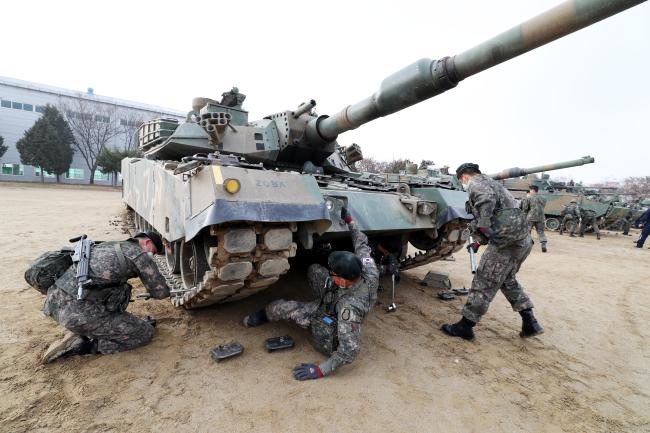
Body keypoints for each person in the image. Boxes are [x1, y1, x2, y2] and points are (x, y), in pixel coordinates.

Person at [243, 207, 379, 380]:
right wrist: (351, 222)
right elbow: (362, 244)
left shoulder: (348, 311)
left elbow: (349, 351)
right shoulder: (368, 269)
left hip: (330, 313)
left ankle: (266, 314)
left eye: (334, 273)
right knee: (314, 270)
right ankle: (320, 297)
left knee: (281, 307)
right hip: (337, 294)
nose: (331, 273)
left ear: (343, 280)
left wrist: (319, 370)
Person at [441, 163, 543, 341]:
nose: (463, 185)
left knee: (484, 281)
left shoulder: (477, 184)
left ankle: (466, 326)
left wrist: (483, 225)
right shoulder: (493, 183)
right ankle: (530, 322)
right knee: (506, 279)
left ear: (464, 177)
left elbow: (486, 206)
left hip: (506, 244)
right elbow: (501, 217)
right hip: (522, 241)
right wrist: (479, 242)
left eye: (461, 181)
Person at [39, 232, 170, 363]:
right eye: (153, 251)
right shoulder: (139, 254)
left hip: (55, 304)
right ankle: (83, 345)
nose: (152, 255)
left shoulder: (108, 245)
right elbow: (161, 292)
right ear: (147, 243)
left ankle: (85, 329)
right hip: (78, 314)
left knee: (120, 289)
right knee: (144, 333)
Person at [520, 185, 548, 252]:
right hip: (541, 218)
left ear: (533, 190)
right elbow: (542, 207)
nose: (529, 191)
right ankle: (543, 243)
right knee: (541, 232)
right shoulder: (543, 199)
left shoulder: (529, 198)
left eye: (530, 190)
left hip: (531, 217)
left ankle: (527, 245)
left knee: (527, 231)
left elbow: (525, 209)